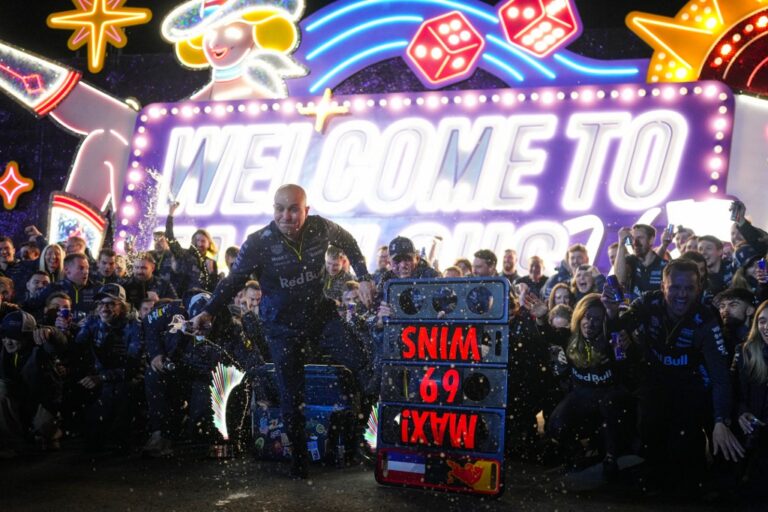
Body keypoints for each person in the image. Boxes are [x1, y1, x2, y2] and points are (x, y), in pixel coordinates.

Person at [190, 184, 374, 478]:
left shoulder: (320, 228)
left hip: (319, 317)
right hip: (281, 327)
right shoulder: (259, 242)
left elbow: (349, 241)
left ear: (306, 211)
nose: (286, 216)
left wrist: (364, 277)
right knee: (291, 393)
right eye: (280, 209)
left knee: (363, 364)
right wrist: (208, 311)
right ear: (273, 209)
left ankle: (375, 440)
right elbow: (233, 281)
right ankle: (299, 460)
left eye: (293, 209)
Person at [603, 259, 744, 494]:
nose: (682, 294)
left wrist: (721, 420)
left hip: (690, 388)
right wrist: (611, 312)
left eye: (689, 288)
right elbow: (618, 334)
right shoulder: (648, 303)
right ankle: (624, 455)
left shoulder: (707, 318)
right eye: (675, 288)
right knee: (650, 448)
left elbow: (720, 377)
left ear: (698, 289)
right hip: (654, 384)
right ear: (663, 288)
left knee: (687, 471)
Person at [545, 294, 633, 478]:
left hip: (610, 399)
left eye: (596, 319)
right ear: (579, 317)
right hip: (582, 396)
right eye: (586, 317)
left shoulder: (614, 339)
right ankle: (576, 455)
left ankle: (611, 457)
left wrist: (627, 347)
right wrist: (540, 318)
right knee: (555, 424)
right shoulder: (570, 336)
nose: (590, 323)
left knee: (610, 406)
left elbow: (627, 369)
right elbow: (548, 334)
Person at [75, 284, 143, 451]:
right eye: (101, 303)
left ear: (123, 306)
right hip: (98, 375)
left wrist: (103, 377)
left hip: (126, 378)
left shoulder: (134, 326)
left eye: (111, 304)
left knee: (121, 391)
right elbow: (77, 349)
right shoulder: (92, 322)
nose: (104, 308)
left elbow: (134, 367)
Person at [731, 301, 768, 493]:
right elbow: (734, 391)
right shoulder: (745, 352)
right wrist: (741, 412)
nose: (766, 327)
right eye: (762, 321)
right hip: (752, 431)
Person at [615, 224, 667, 299]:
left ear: (651, 240)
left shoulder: (664, 266)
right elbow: (619, 280)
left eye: (640, 238)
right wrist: (621, 244)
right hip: (633, 310)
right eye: (633, 238)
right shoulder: (630, 261)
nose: (635, 243)